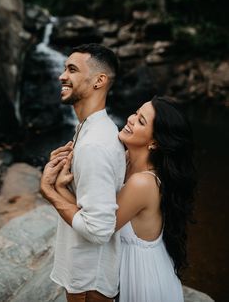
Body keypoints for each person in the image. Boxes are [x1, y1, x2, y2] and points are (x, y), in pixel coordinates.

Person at [44, 95, 196, 302]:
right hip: (120, 268)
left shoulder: (142, 183)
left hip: (142, 279)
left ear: (154, 142)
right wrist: (63, 168)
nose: (131, 119)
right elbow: (91, 207)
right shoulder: (123, 158)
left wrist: (52, 190)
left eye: (141, 121)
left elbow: (94, 226)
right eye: (136, 113)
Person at [40, 43, 126, 302]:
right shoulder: (88, 129)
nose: (62, 76)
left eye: (72, 70)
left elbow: (99, 229)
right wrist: (61, 185)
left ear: (99, 80)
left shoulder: (94, 145)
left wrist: (49, 191)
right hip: (83, 270)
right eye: (65, 68)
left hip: (90, 280)